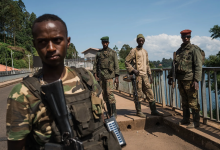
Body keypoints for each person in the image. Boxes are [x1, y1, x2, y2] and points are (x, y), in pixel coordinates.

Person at [6, 14, 121, 150]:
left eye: (57, 40)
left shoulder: (86, 78)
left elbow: (101, 120)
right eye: (43, 41)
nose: (51, 48)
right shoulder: (22, 94)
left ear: (67, 42)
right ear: (35, 45)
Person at [168, 29, 202, 128]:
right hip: (180, 79)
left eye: (188, 37)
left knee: (193, 101)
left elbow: (198, 66)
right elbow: (174, 65)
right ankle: (186, 118)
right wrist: (171, 76)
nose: (186, 38)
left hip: (190, 79)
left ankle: (196, 121)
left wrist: (196, 80)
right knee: (184, 100)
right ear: (181, 38)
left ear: (190, 37)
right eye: (184, 37)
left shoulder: (194, 49)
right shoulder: (179, 50)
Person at [125, 34, 162, 118]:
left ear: (144, 41)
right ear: (137, 41)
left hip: (145, 75)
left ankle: (154, 110)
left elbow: (147, 64)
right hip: (138, 76)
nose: (141, 42)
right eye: (139, 40)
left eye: (142, 41)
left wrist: (150, 75)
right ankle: (139, 111)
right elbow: (126, 62)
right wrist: (133, 70)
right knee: (138, 94)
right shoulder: (133, 51)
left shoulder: (145, 51)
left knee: (150, 92)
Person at [93, 36, 119, 118]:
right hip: (101, 76)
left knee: (110, 93)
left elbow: (116, 65)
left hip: (109, 76)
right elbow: (95, 64)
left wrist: (117, 77)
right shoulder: (99, 53)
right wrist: (95, 74)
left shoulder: (112, 53)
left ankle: (114, 113)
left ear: (108, 43)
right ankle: (109, 112)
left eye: (106, 42)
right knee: (104, 95)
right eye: (103, 42)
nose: (104, 44)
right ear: (102, 43)